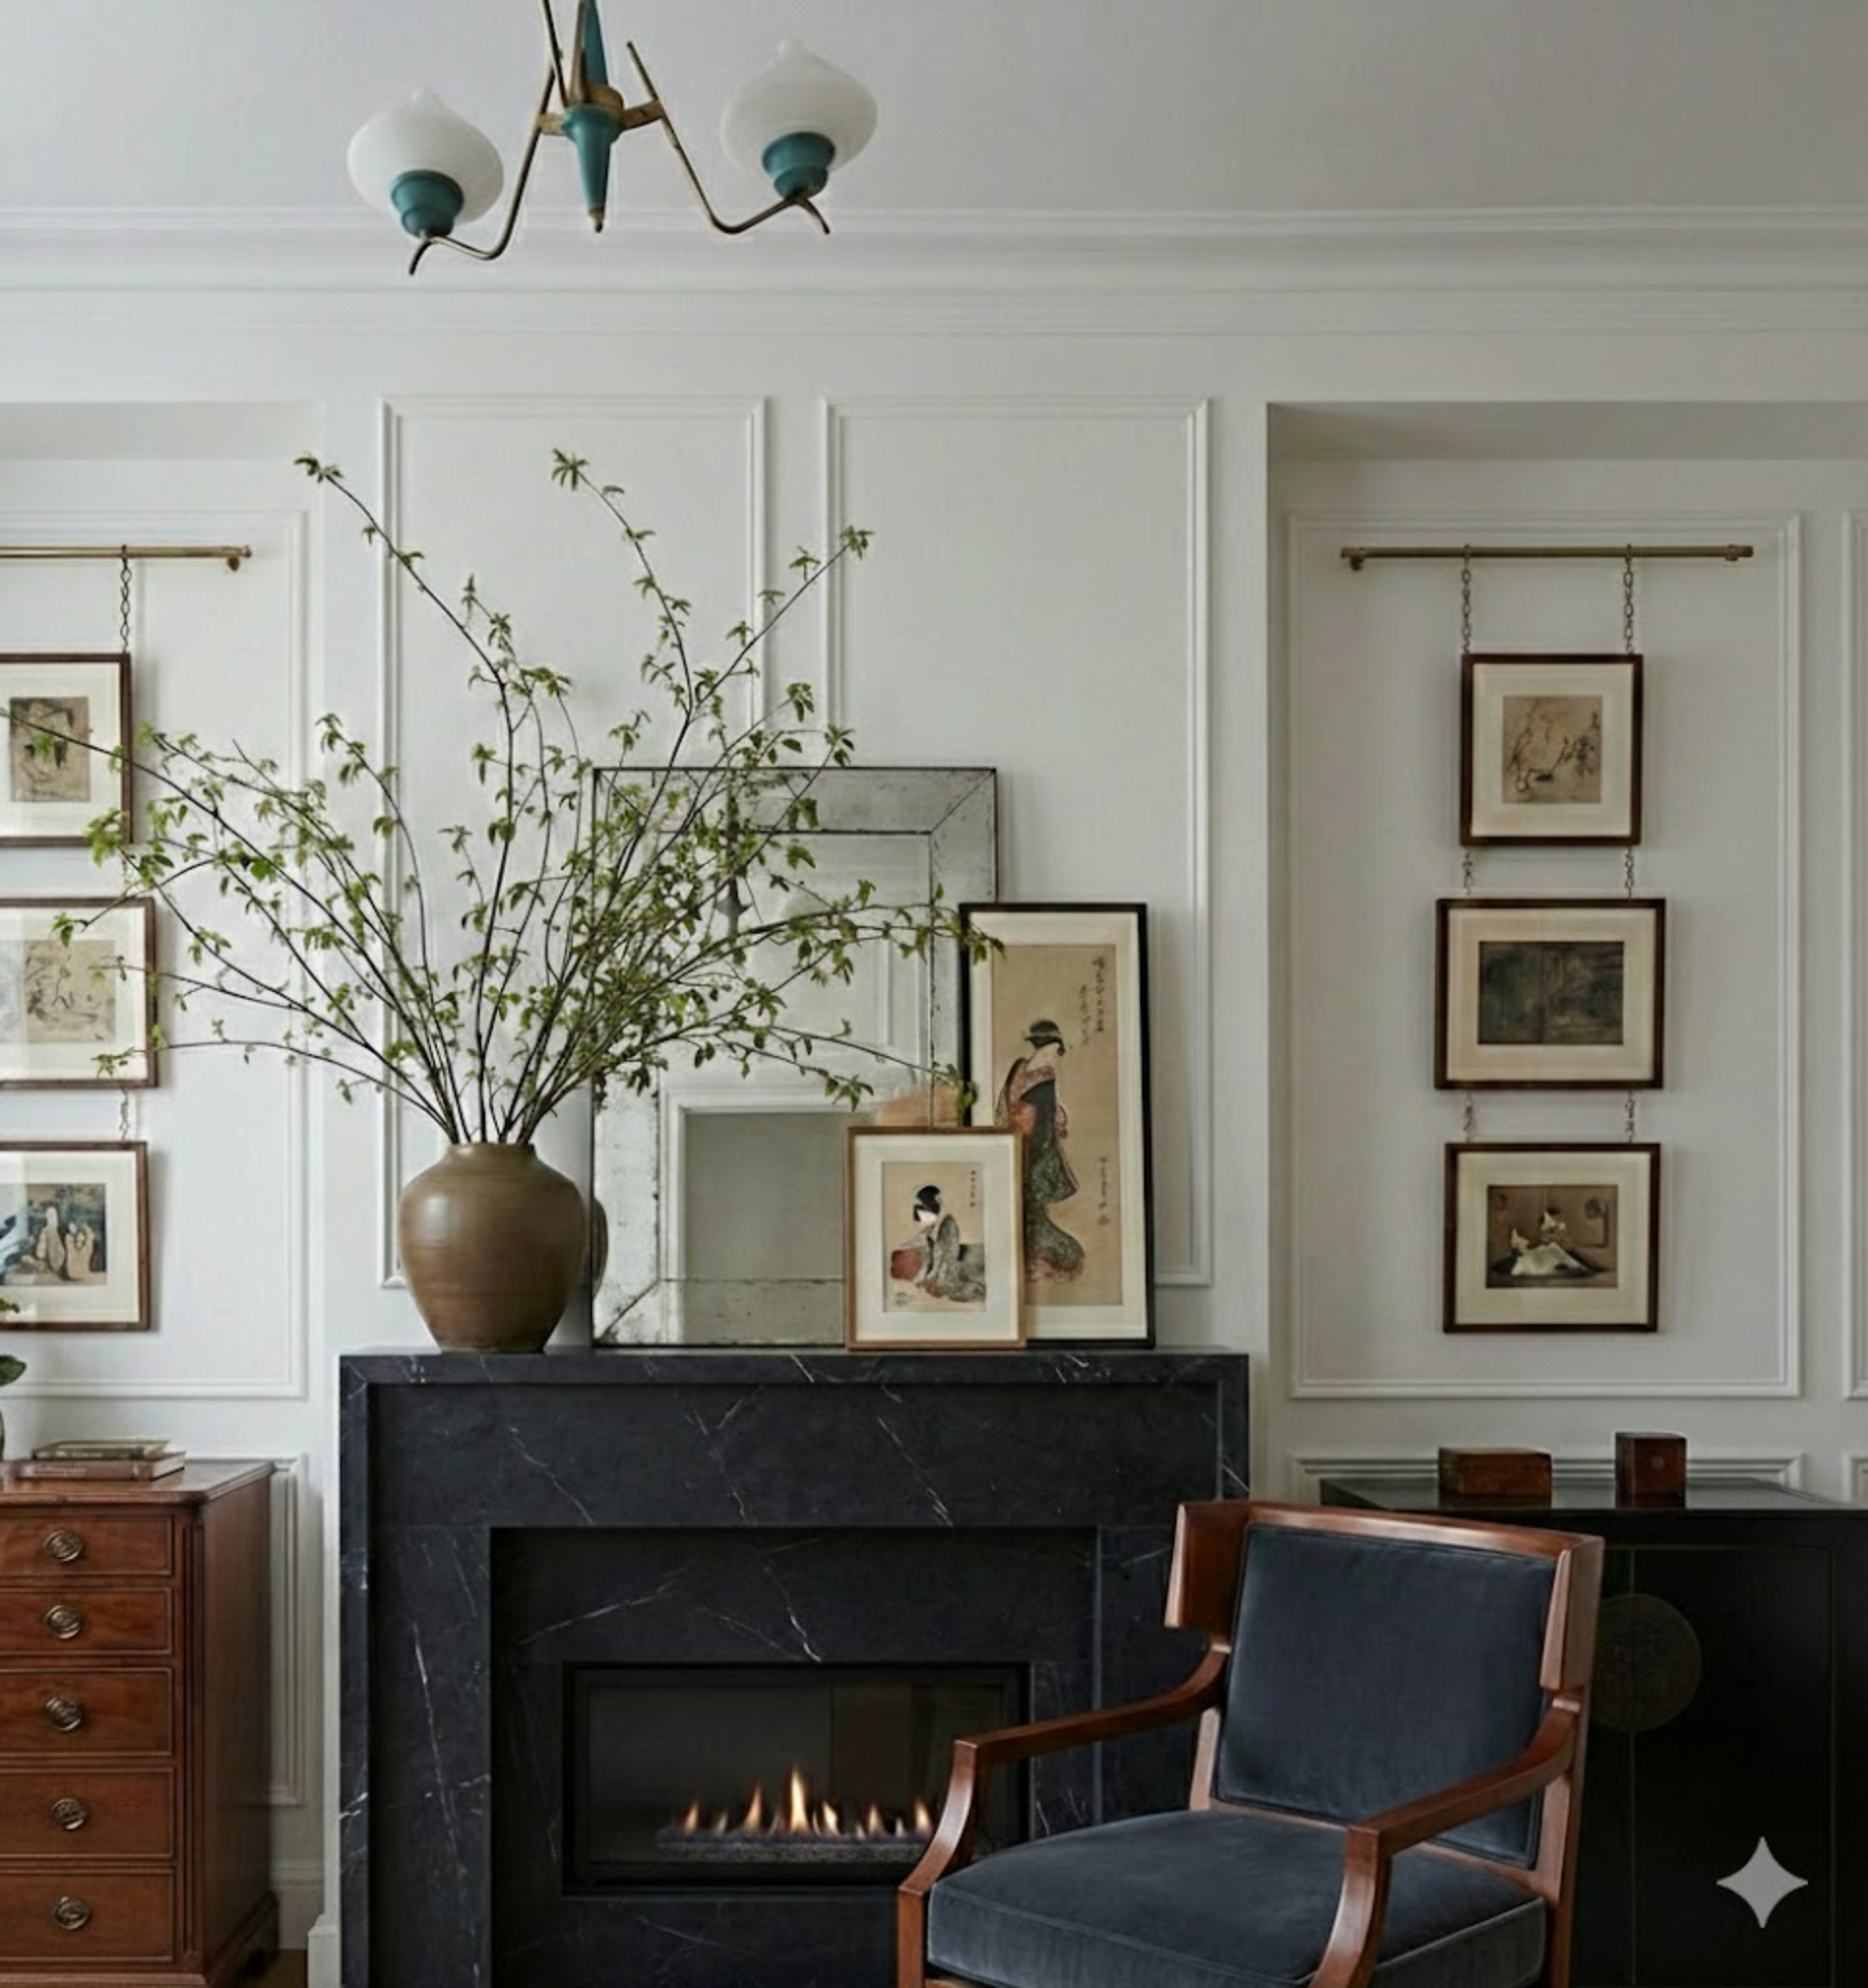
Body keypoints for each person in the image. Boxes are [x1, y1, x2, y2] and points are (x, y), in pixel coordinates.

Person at [996, 1018, 1084, 1279]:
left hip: (1024, 1136)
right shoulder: (1043, 1072)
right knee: (1030, 1200)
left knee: (1030, 1203)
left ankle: (1032, 1254)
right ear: (1049, 1045)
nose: (1057, 1054)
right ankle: (1045, 1255)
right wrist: (1048, 1133)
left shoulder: (1024, 1068)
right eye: (1055, 1048)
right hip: (1033, 1140)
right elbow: (1041, 1112)